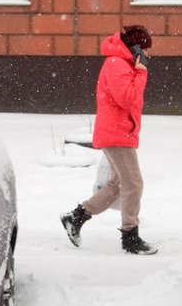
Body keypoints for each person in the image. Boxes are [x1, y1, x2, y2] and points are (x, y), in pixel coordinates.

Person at [61, 25, 157, 255]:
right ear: (135, 48)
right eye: (146, 49)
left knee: (117, 186)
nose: (150, 55)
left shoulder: (122, 64)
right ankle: (130, 237)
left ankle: (75, 217)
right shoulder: (117, 64)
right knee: (134, 184)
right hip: (117, 134)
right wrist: (141, 72)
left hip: (119, 132)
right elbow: (127, 99)